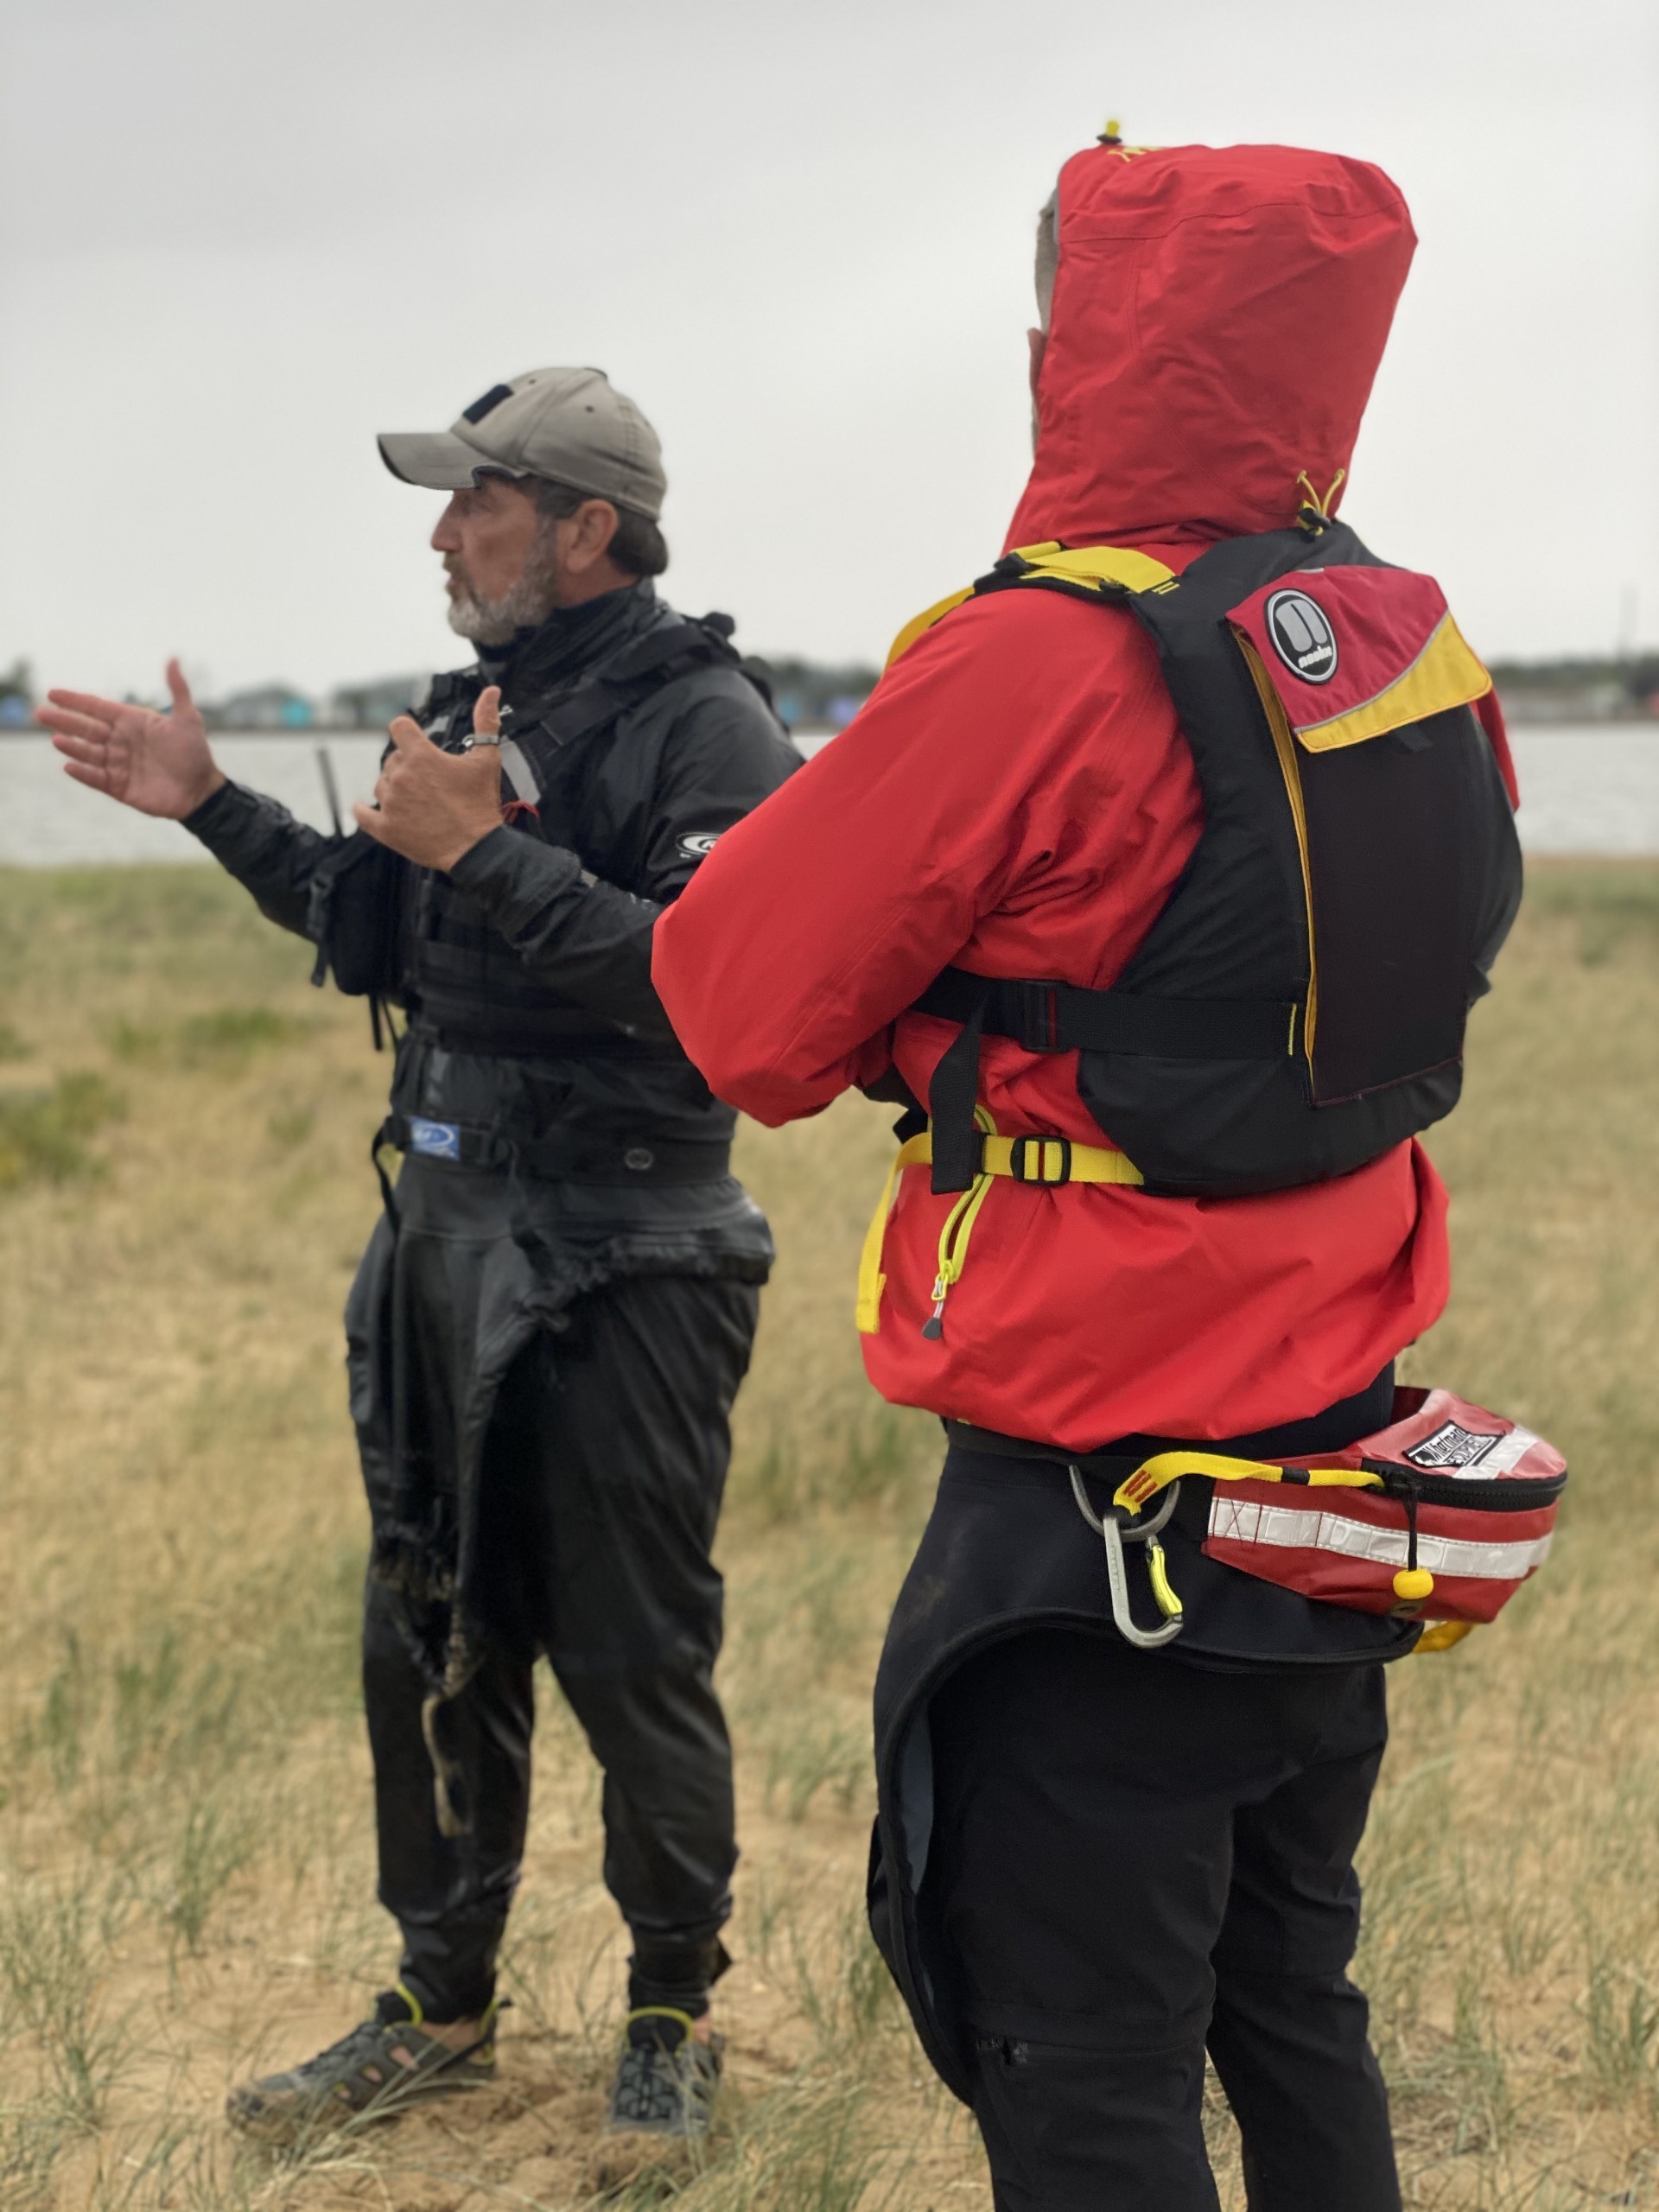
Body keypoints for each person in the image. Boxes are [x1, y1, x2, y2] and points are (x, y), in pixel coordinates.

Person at [652, 139, 1522, 2209]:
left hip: (1101, 1515)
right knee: (1295, 1997)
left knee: (1081, 2060)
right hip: (1339, 1462)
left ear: (1093, 341)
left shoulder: (1034, 659)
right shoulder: (1399, 640)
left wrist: (922, 1015)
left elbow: (735, 1010)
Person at [41, 367, 800, 2141]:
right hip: (441, 1232)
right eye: (446, 502)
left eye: (476, 500)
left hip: (631, 1245)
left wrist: (494, 850)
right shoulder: (468, 704)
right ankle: (437, 1999)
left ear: (586, 525)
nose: (442, 531)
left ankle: (670, 2013)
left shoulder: (710, 724)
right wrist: (212, 802)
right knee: (426, 1620)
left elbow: (728, 994)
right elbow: (372, 927)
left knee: (632, 1646)